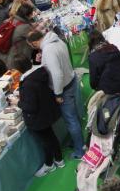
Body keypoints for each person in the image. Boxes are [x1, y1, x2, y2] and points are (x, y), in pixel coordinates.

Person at [27, 29, 84, 159]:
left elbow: (57, 74)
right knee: (74, 116)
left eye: (32, 46)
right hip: (71, 79)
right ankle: (77, 141)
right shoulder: (57, 40)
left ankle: (79, 150)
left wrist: (58, 94)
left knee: (71, 120)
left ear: (35, 43)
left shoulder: (48, 50)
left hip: (63, 88)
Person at [13, 53, 65, 177]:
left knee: (45, 142)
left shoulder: (27, 84)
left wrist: (18, 102)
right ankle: (59, 159)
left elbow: (31, 107)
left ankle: (49, 165)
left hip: (39, 118)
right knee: (51, 136)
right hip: (47, 111)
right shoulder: (40, 72)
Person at [88, 29, 120, 95]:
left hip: (108, 91)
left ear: (90, 43)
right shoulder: (114, 47)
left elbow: (93, 81)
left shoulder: (93, 57)